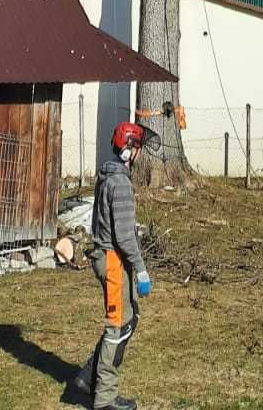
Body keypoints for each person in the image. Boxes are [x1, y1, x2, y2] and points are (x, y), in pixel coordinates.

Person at [72, 120, 158, 410]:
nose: (139, 155)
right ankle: (105, 398)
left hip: (109, 257)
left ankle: (87, 378)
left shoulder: (108, 176)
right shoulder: (120, 183)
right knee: (117, 327)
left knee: (129, 319)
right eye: (138, 150)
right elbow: (123, 235)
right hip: (113, 261)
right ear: (128, 150)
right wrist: (142, 268)